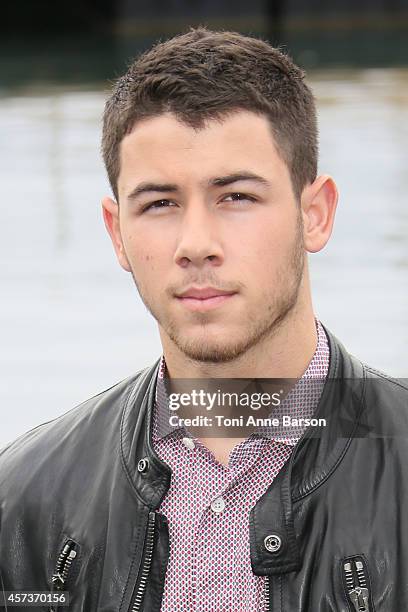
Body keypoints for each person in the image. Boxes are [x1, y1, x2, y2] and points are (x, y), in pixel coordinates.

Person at [0, 27, 407, 612]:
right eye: (160, 203)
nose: (196, 243)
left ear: (314, 214)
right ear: (117, 233)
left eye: (236, 196)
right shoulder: (26, 503)